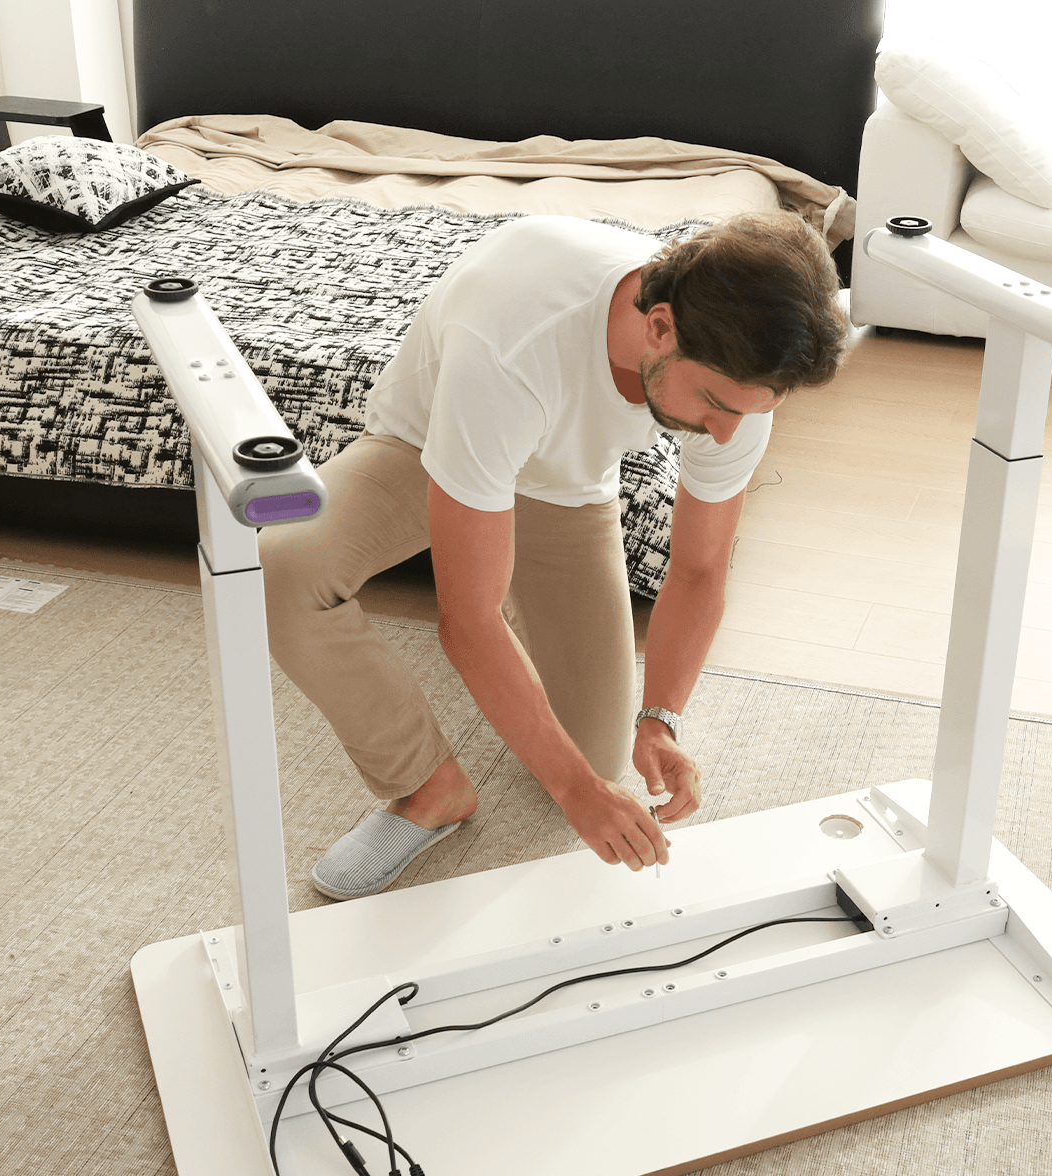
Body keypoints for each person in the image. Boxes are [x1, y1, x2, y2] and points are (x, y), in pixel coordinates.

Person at [260, 208, 848, 899]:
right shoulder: (512, 345)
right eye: (715, 405)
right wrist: (575, 794)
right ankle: (428, 789)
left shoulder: (741, 379)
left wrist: (661, 720)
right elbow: (467, 619)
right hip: (432, 450)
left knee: (596, 752)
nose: (724, 437)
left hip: (565, 486)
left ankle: (511, 608)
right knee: (285, 566)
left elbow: (697, 568)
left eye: (746, 413)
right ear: (659, 326)